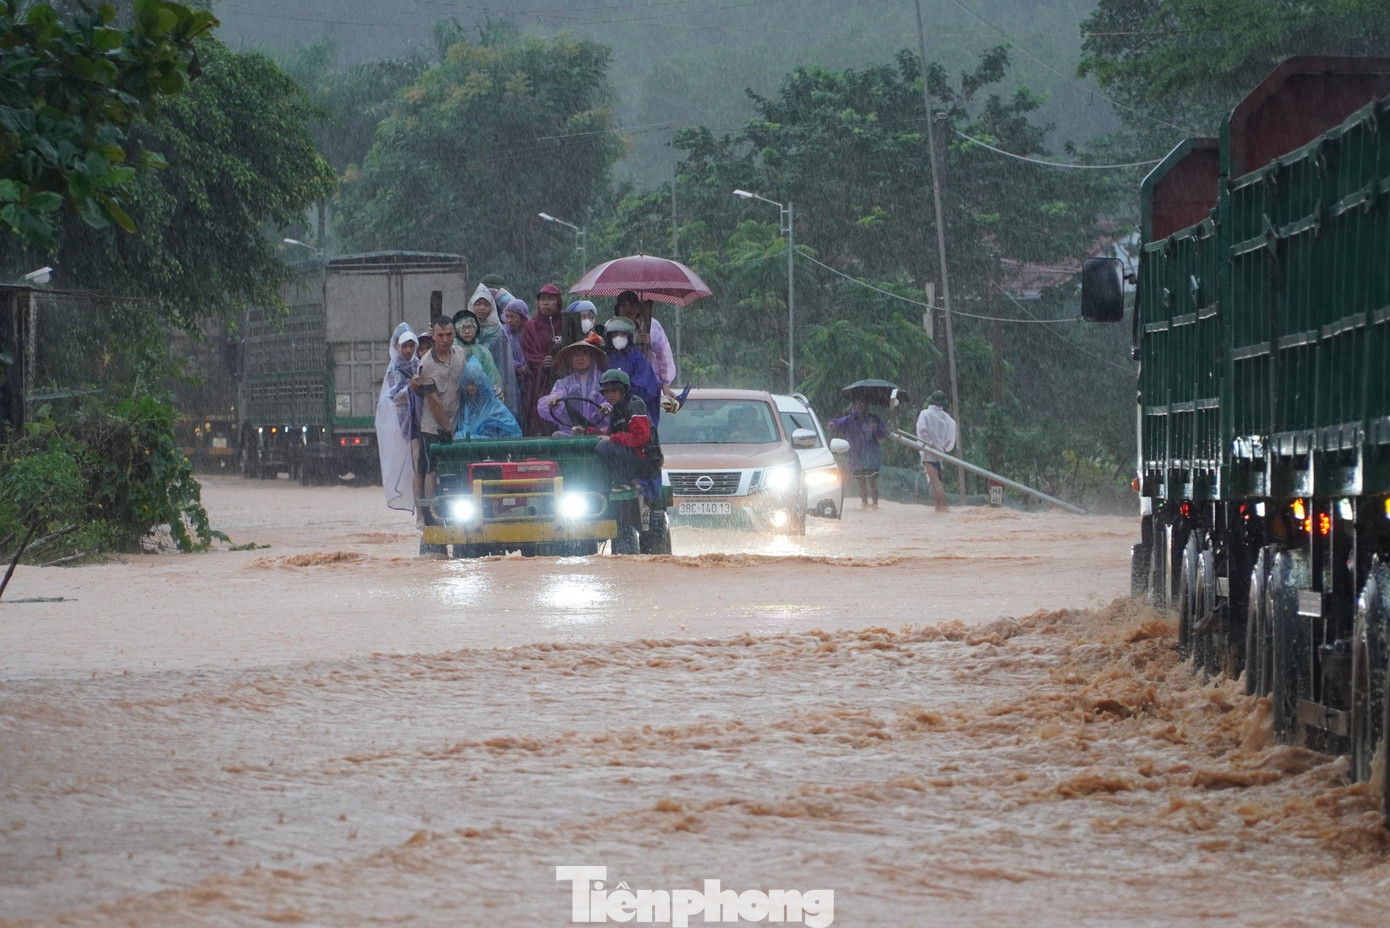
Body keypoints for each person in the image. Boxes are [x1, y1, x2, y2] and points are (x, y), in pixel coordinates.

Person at [411, 315, 466, 541]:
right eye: (440, 335)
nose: (445, 339)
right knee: (429, 470)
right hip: (432, 426)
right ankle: (427, 515)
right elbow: (432, 401)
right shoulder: (426, 365)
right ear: (432, 336)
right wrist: (447, 427)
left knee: (452, 470)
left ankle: (450, 512)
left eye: (449, 335)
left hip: (457, 422)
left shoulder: (460, 354)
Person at [595, 369, 663, 494]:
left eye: (614, 390)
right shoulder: (617, 409)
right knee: (598, 444)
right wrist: (587, 430)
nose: (609, 395)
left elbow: (641, 437)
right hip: (633, 457)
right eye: (606, 391)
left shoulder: (634, 405)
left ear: (623, 390)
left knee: (605, 447)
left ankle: (624, 481)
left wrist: (612, 439)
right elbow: (610, 435)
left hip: (646, 461)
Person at [375, 323, 419, 513]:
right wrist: (411, 389)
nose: (408, 350)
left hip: (423, 420)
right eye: (404, 346)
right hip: (406, 425)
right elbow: (394, 397)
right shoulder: (394, 370)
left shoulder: (419, 364)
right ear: (397, 347)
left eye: (411, 345)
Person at [461, 284, 518, 414]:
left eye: (486, 304)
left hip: (494, 385)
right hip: (469, 386)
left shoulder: (499, 332)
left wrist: (500, 386)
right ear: (471, 305)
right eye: (478, 303)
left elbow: (504, 364)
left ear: (492, 307)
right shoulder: (464, 329)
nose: (482, 308)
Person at [602, 315, 663, 429]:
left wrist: (621, 393)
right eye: (615, 335)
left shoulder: (639, 359)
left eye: (622, 334)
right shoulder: (609, 359)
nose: (618, 338)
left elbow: (646, 390)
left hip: (637, 418)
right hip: (615, 419)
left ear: (630, 336)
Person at [539, 334, 610, 434]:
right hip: (571, 432)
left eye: (584, 354)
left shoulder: (604, 379)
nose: (579, 358)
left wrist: (605, 408)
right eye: (576, 355)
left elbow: (612, 401)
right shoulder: (565, 382)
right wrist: (554, 399)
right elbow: (558, 393)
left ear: (592, 357)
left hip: (598, 431)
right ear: (571, 359)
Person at [521, 283, 566, 435]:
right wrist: (542, 361)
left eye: (550, 299)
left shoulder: (566, 323)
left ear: (558, 301)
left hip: (563, 378)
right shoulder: (531, 326)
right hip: (539, 381)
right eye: (542, 299)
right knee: (540, 417)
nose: (545, 302)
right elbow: (529, 351)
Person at [614, 290, 677, 397]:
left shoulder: (653, 326)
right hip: (619, 386)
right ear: (618, 308)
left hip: (649, 385)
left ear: (639, 307)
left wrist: (665, 384)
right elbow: (611, 351)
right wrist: (633, 341)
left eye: (632, 305)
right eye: (624, 305)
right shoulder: (612, 326)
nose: (628, 309)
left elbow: (663, 355)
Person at [829, 397, 888, 509]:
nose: (859, 405)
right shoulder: (849, 420)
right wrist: (832, 423)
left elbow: (884, 433)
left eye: (861, 402)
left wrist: (876, 429)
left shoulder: (874, 419)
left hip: (871, 455)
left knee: (872, 481)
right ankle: (864, 504)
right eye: (856, 402)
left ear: (866, 404)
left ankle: (875, 504)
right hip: (856, 455)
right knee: (861, 482)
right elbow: (837, 423)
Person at [455, 357, 522, 439]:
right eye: (468, 384)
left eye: (474, 383)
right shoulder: (464, 402)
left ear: (481, 382)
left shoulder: (492, 402)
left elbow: (512, 431)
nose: (471, 387)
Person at [916, 390, 957, 513]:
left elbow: (922, 431)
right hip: (940, 454)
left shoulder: (925, 414)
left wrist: (931, 445)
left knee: (935, 483)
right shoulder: (947, 418)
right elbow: (951, 437)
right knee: (936, 481)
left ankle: (942, 507)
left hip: (929, 453)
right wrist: (942, 448)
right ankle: (938, 507)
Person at [451, 308, 504, 395]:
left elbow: (493, 379)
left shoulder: (483, 352)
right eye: (463, 328)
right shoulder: (451, 350)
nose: (467, 331)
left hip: (480, 397)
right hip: (454, 399)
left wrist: (496, 390)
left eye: (470, 327)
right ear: (456, 329)